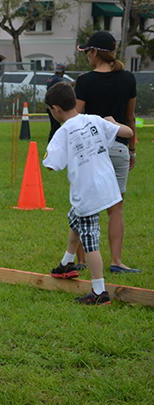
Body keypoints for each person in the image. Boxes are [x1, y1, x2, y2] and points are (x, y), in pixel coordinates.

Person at [43, 82, 132, 305]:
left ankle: (99, 292)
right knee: (76, 219)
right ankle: (67, 263)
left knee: (91, 241)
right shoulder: (94, 119)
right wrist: (112, 122)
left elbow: (51, 165)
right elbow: (128, 132)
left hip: (87, 191)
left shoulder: (62, 133)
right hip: (107, 186)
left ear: (55, 109)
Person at [75, 31, 140, 274]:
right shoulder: (128, 79)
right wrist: (132, 151)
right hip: (119, 148)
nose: (86, 57)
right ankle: (117, 262)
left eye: (87, 52)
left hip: (92, 149)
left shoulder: (84, 81)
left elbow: (76, 119)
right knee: (116, 208)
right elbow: (130, 119)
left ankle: (81, 260)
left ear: (95, 52)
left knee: (86, 206)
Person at [45, 64, 67, 142]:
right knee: (55, 127)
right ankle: (52, 143)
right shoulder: (59, 80)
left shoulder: (50, 78)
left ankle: (53, 142)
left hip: (49, 105)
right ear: (63, 71)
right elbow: (66, 86)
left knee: (54, 126)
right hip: (55, 107)